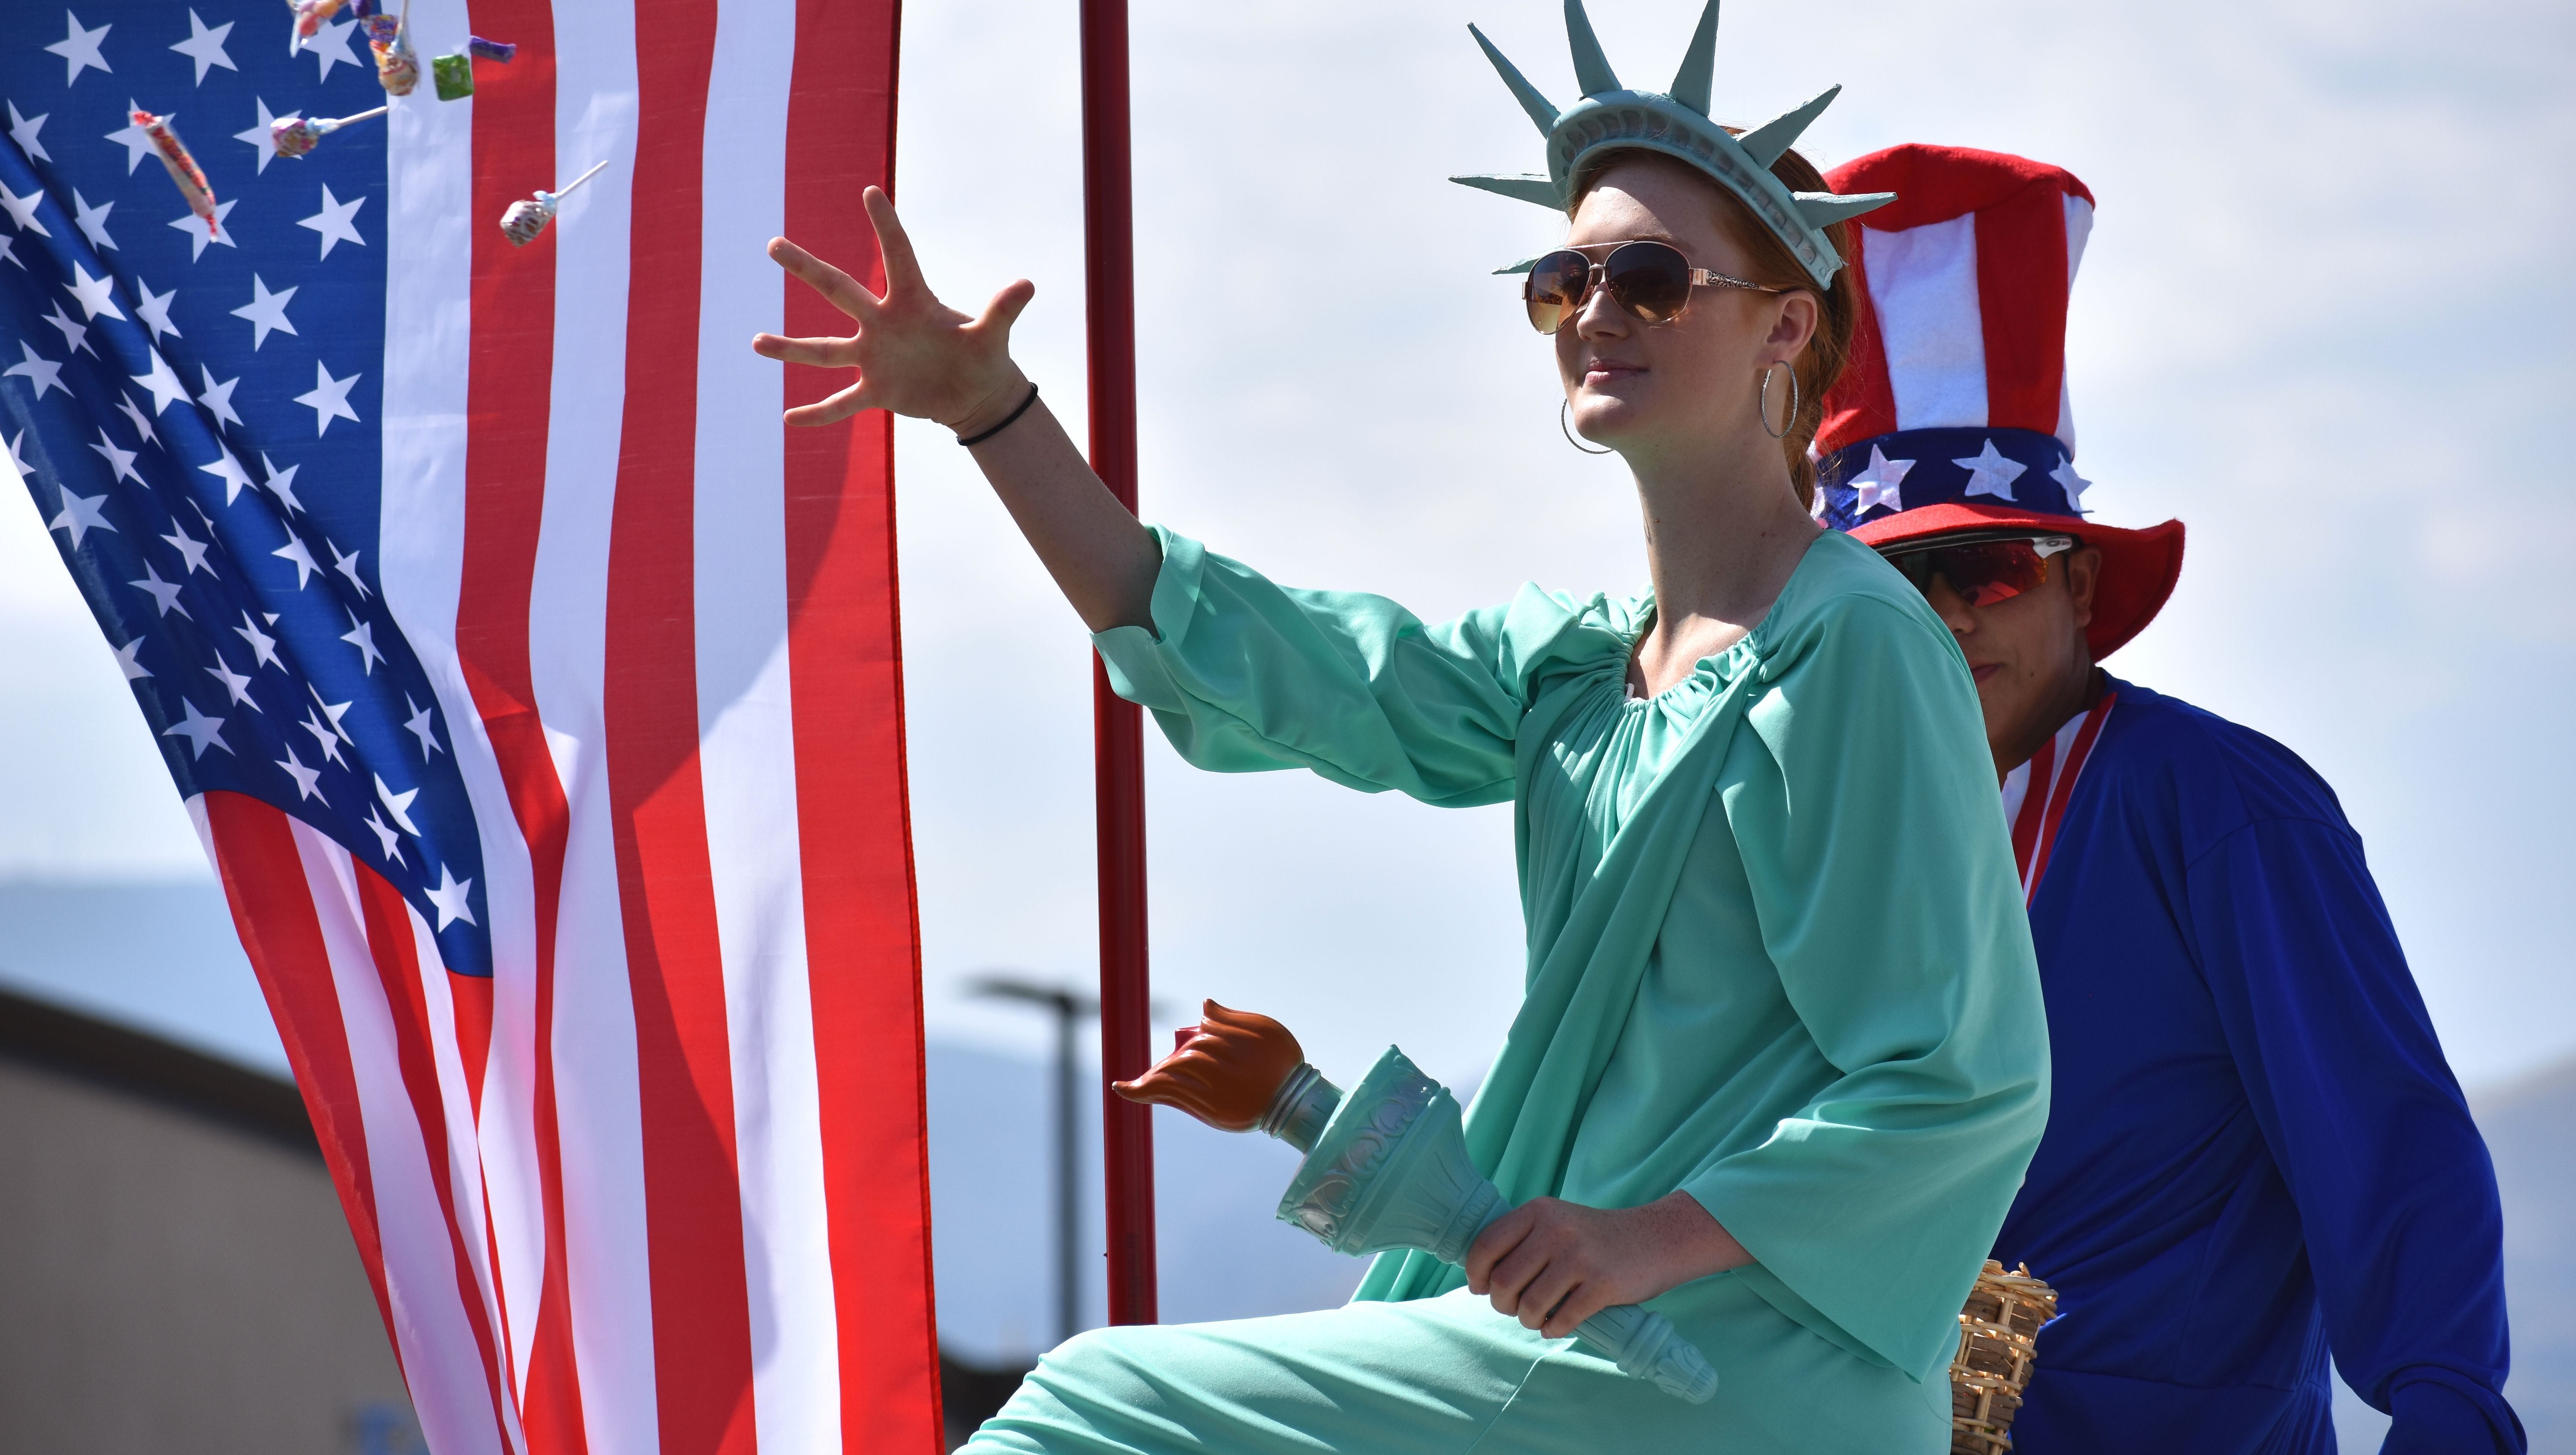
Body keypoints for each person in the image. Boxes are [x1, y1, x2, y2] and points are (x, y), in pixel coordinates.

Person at [756, 8, 2050, 1450]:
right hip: (1573, 1337)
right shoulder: (1569, 668)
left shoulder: (1856, 649)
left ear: (1789, 324)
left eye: (1653, 277)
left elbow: (1962, 1083)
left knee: (1083, 1410)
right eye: (1567, 280)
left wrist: (1643, 1242)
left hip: (1731, 1364)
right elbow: (1266, 659)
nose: (1600, 311)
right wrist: (992, 411)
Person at [1810, 143, 2525, 1455]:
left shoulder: (2220, 810)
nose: (1950, 613)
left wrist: (2446, 1414)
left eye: (1991, 569)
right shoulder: (1807, 832)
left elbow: (2387, 1141)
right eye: (1900, 582)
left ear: (2081, 587)